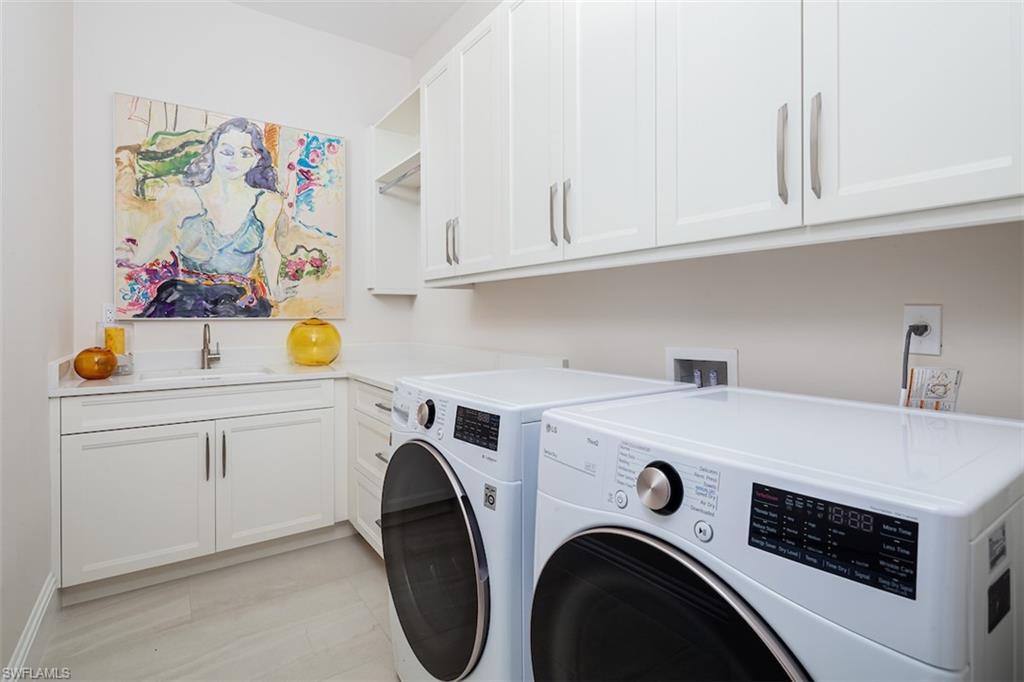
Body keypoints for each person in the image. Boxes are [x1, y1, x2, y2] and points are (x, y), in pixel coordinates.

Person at [118, 117, 296, 317]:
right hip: (186, 297)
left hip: (239, 301)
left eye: (245, 153)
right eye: (227, 152)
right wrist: (136, 258)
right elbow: (160, 234)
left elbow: (269, 250)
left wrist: (276, 290)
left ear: (257, 159)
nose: (234, 160)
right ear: (212, 152)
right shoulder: (184, 197)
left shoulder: (267, 202)